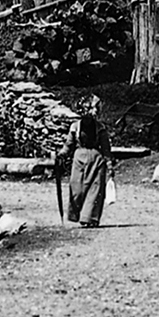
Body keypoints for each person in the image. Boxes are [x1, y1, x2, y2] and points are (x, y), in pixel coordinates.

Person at [62, 95, 112, 227]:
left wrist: (109, 163)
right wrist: (62, 154)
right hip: (79, 158)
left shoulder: (100, 127)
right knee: (76, 188)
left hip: (96, 159)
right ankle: (75, 214)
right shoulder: (75, 127)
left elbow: (106, 147)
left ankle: (89, 218)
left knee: (95, 189)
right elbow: (69, 144)